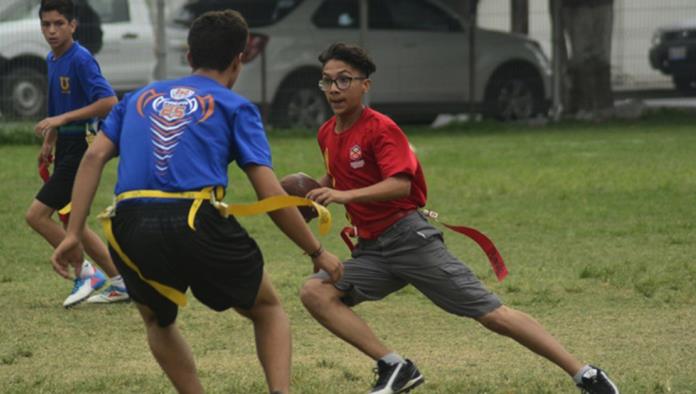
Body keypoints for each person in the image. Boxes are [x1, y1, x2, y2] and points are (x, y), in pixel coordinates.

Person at [300, 43, 619, 394]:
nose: (333, 89)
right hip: (371, 250)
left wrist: (344, 196)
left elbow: (400, 185)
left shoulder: (381, 128)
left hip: (408, 239)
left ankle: (585, 373)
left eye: (344, 80)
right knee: (316, 291)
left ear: (365, 85)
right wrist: (312, 191)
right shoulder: (327, 133)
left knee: (492, 315)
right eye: (327, 82)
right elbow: (338, 175)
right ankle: (395, 367)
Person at [52, 10, 343, 394]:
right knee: (268, 309)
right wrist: (317, 251)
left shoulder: (138, 97)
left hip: (127, 223)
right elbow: (269, 193)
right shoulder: (235, 107)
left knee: (158, 320)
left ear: (189, 56)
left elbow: (92, 159)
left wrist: (73, 233)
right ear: (240, 59)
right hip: (194, 218)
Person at [26, 0, 128, 307]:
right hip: (66, 146)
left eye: (59, 24)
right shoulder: (52, 57)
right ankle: (121, 283)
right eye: (46, 24)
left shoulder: (81, 59)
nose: (52, 31)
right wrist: (50, 141)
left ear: (73, 25)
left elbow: (109, 101)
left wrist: (62, 120)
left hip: (83, 147)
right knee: (75, 223)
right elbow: (59, 107)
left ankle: (85, 272)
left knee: (37, 216)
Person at [561, 0, 615, 119]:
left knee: (590, 55)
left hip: (591, 5)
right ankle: (592, 105)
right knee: (588, 55)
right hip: (581, 6)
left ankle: (594, 105)